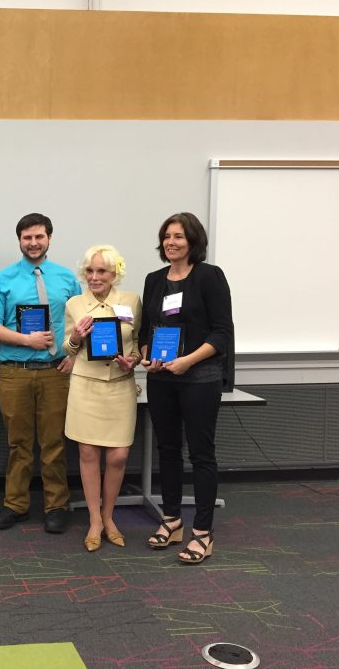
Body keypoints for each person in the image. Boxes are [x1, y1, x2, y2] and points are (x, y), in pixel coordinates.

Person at [139, 212, 234, 564]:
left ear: (193, 241)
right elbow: (148, 328)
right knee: (167, 450)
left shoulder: (209, 277)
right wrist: (148, 354)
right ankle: (172, 520)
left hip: (199, 378)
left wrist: (188, 360)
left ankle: (203, 533)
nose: (171, 242)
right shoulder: (153, 280)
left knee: (201, 454)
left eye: (179, 236)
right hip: (161, 378)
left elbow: (222, 333)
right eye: (167, 236)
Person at [0, 213, 80, 533]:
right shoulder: (3, 279)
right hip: (15, 373)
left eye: (39, 237)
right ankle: (16, 504)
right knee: (18, 443)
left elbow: (83, 324)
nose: (33, 243)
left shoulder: (67, 279)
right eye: (27, 238)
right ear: (19, 241)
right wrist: (27, 339)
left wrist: (74, 358)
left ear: (49, 238)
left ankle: (56, 505)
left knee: (54, 443)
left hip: (56, 372)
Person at [62, 245, 142, 552]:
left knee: (119, 455)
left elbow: (136, 345)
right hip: (86, 385)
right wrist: (76, 338)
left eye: (102, 271)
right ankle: (95, 520)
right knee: (87, 453)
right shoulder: (74, 303)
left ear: (114, 274)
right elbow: (66, 349)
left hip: (120, 385)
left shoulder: (131, 301)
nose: (95, 277)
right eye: (90, 271)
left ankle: (110, 517)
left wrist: (132, 361)